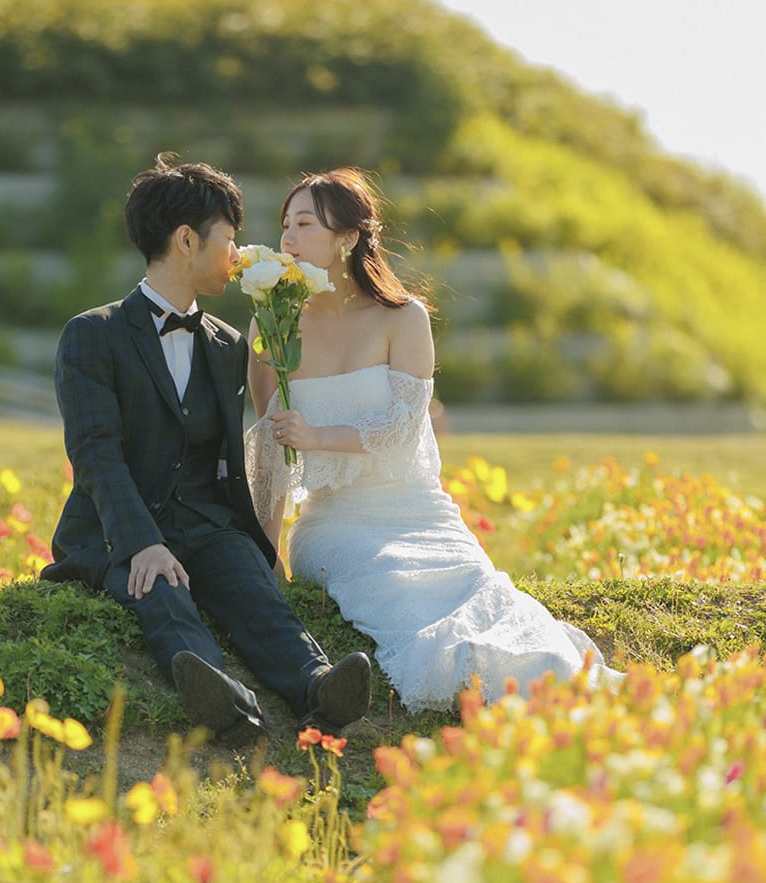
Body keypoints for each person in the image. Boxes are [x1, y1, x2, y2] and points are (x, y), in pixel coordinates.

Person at [247, 170, 618, 712]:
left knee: (483, 590)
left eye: (304, 224)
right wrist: (268, 556)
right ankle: (467, 686)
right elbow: (270, 453)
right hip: (335, 525)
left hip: (420, 513)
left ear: (347, 238)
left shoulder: (403, 318)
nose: (287, 237)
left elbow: (401, 431)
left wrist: (318, 435)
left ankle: (549, 686)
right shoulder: (272, 328)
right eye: (285, 224)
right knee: (399, 589)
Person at [43, 155, 374, 741]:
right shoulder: (92, 334)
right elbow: (96, 455)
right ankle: (226, 703)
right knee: (160, 589)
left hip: (205, 523)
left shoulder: (227, 344)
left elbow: (224, 461)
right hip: (118, 529)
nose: (238, 254)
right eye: (228, 238)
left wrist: (255, 545)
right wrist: (142, 542)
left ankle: (319, 687)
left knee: (250, 587)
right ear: (186, 240)